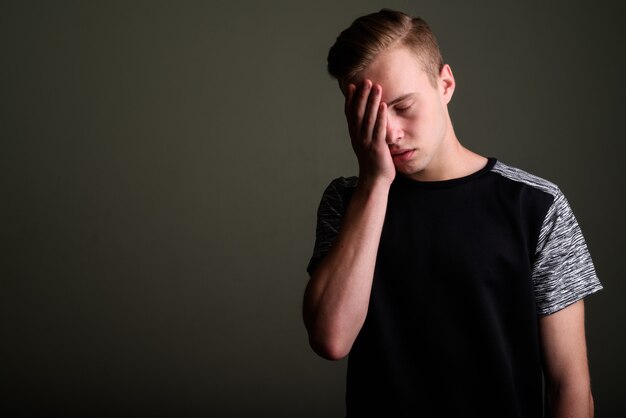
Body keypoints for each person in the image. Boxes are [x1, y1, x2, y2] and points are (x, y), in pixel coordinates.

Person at [303, 9, 602, 418]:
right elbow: (331, 339)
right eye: (368, 116)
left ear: (445, 83)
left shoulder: (535, 206)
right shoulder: (346, 200)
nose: (389, 132)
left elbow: (571, 388)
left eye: (402, 106)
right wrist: (375, 183)